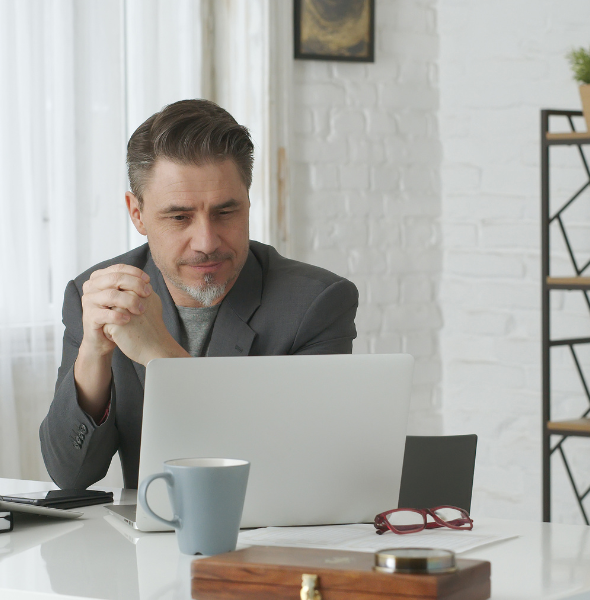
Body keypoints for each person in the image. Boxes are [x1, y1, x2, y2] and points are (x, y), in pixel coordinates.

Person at [40, 100, 358, 489]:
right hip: (146, 542)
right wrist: (93, 353)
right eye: (179, 217)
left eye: (226, 212)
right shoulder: (97, 294)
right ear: (136, 214)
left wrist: (161, 356)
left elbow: (300, 470)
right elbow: (71, 475)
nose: (207, 242)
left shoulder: (315, 304)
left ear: (248, 203)